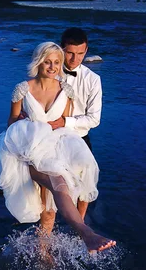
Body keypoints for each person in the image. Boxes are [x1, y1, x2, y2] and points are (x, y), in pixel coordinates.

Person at [0, 42, 115, 253]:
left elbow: (64, 124)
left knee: (49, 208)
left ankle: (43, 251)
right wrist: (22, 123)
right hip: (27, 151)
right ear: (38, 62)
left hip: (56, 149)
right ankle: (86, 234)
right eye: (47, 62)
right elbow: (11, 121)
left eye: (57, 62)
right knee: (58, 184)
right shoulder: (22, 89)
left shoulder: (66, 90)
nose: (52, 67)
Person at [39, 27, 103, 232]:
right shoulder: (48, 71)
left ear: (87, 51)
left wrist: (65, 122)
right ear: (61, 48)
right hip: (51, 139)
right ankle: (46, 236)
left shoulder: (93, 80)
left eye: (81, 54)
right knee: (50, 191)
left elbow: (94, 119)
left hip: (79, 139)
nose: (75, 59)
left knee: (85, 185)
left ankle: (80, 227)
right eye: (70, 53)